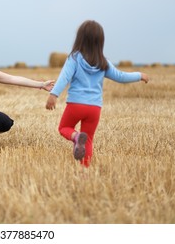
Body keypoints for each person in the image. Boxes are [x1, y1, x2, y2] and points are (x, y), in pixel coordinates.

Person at [46, 20, 149, 167]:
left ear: (80, 38)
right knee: (88, 140)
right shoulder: (103, 62)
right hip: (94, 108)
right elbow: (120, 77)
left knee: (64, 128)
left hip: (76, 104)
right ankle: (85, 172)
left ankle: (76, 138)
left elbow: (64, 78)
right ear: (100, 41)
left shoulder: (74, 58)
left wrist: (54, 95)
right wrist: (139, 75)